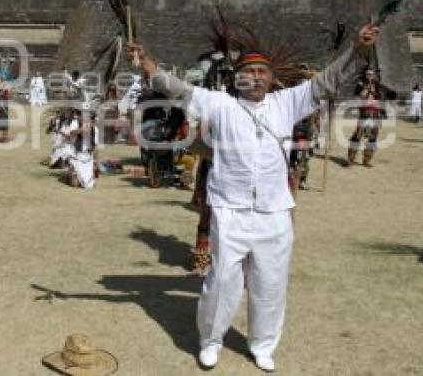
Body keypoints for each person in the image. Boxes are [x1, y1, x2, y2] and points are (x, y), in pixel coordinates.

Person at [127, 23, 379, 372]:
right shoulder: (219, 104)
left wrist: (357, 50)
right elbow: (179, 91)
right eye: (248, 72)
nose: (256, 77)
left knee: (270, 283)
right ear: (237, 78)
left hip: (274, 212)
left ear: (272, 79)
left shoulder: (287, 102)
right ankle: (211, 341)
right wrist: (147, 64)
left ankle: (262, 345)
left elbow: (327, 83)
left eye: (262, 72)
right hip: (230, 210)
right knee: (221, 283)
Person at [347, 68, 384, 167]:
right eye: (368, 74)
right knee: (357, 136)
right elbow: (359, 95)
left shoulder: (376, 85)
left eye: (371, 74)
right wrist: (367, 88)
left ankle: (367, 160)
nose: (370, 76)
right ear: (365, 75)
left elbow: (380, 98)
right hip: (364, 113)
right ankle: (351, 159)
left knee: (373, 137)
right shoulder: (360, 84)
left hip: (375, 113)